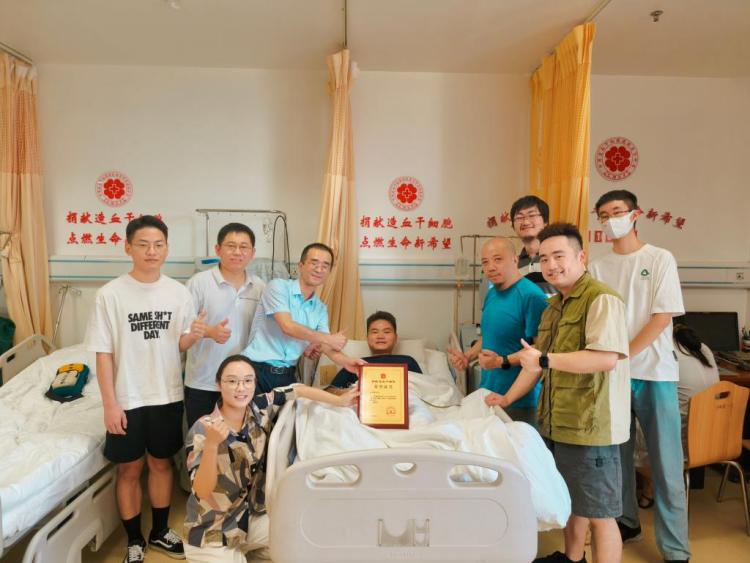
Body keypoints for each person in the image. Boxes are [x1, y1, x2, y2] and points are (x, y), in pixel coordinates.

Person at [485, 223, 630, 563]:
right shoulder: (554, 307)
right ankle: (572, 558)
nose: (551, 265)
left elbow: (605, 359)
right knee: (570, 501)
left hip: (591, 426)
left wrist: (545, 359)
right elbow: (534, 363)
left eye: (559, 256)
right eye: (545, 258)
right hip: (558, 422)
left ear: (581, 256)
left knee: (600, 513)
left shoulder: (600, 299)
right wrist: (506, 399)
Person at [85, 215, 206, 563]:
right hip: (127, 397)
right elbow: (103, 354)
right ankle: (134, 540)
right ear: (128, 247)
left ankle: (160, 532)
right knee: (129, 469)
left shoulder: (178, 293)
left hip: (166, 394)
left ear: (166, 249)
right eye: (143, 244)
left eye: (158, 245)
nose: (151, 251)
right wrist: (110, 404)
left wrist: (194, 336)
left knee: (161, 464)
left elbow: (177, 344)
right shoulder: (110, 295)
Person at [588, 189, 690, 563]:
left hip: (654, 373)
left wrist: (623, 356)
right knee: (617, 458)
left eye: (616, 212)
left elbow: (662, 317)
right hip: (613, 375)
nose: (610, 220)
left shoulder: (659, 258)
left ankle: (676, 549)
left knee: (666, 464)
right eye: (603, 215)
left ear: (634, 215)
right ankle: (627, 522)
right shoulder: (597, 267)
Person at [183, 354, 358, 562]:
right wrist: (212, 446)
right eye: (232, 381)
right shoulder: (204, 429)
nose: (241, 388)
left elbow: (297, 390)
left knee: (304, 538)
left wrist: (339, 401)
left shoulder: (258, 407)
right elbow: (202, 491)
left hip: (248, 518)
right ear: (218, 385)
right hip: (212, 531)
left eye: (248, 380)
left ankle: (248, 549)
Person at [448, 237, 548, 426]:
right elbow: (488, 336)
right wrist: (468, 356)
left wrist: (500, 361)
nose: (491, 267)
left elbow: (541, 349)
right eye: (485, 262)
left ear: (515, 259)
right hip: (490, 393)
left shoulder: (531, 296)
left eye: (498, 259)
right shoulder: (492, 294)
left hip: (520, 401)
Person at [242, 242, 363, 393]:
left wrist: (348, 361)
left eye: (325, 266)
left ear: (329, 272)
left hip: (287, 376)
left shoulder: (320, 309)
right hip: (255, 370)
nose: (319, 269)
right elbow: (288, 327)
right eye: (314, 263)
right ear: (301, 265)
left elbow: (325, 345)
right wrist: (328, 338)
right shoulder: (277, 287)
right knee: (250, 410)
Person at [184, 223, 265, 428]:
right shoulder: (199, 283)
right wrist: (209, 331)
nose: (237, 252)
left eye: (244, 247)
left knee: (237, 442)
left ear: (252, 253)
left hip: (242, 386)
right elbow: (182, 329)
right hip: (204, 381)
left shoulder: (259, 287)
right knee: (201, 441)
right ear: (218, 249)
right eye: (231, 246)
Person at [327, 310, 422, 390]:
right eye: (375, 332)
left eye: (387, 332)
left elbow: (425, 390)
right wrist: (351, 394)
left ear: (395, 338)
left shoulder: (408, 361)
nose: (380, 336)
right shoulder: (356, 364)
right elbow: (331, 390)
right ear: (367, 338)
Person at [510, 195, 556, 296]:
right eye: (519, 217)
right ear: (513, 226)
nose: (525, 222)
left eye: (531, 215)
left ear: (545, 222)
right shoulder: (513, 265)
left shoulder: (558, 257)